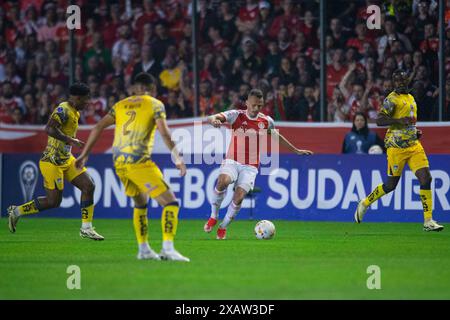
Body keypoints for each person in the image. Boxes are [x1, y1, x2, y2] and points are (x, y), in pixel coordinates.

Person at [75, 72, 189, 261]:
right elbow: (165, 133)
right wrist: (178, 158)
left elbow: (97, 127)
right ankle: (168, 248)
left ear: (134, 88)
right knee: (170, 202)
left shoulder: (120, 105)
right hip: (138, 161)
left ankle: (143, 249)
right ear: (152, 88)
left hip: (119, 163)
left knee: (140, 203)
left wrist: (85, 154)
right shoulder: (154, 103)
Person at [203, 89, 313, 239]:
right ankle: (213, 216)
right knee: (223, 181)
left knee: (239, 197)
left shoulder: (266, 121)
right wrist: (215, 120)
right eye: (254, 105)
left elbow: (276, 136)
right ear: (247, 103)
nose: (256, 109)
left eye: (259, 106)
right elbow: (211, 117)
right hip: (232, 160)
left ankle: (222, 227)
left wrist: (295, 150)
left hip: (251, 166)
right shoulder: (236, 115)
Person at [7, 83, 104, 240]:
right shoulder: (63, 109)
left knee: (89, 186)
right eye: (86, 100)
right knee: (53, 202)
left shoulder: (75, 112)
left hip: (66, 159)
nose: (88, 103)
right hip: (51, 161)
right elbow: (49, 129)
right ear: (78, 98)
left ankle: (86, 228)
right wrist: (70, 140)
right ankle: (17, 211)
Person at [355, 69, 443, 232]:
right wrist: (398, 120)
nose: (400, 83)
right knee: (390, 185)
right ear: (394, 82)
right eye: (397, 81)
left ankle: (428, 220)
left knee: (426, 179)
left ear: (407, 81)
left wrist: (414, 131)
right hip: (396, 148)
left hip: (414, 145)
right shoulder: (392, 99)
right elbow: (380, 120)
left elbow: (409, 123)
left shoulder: (411, 98)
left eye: (403, 80)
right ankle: (365, 202)